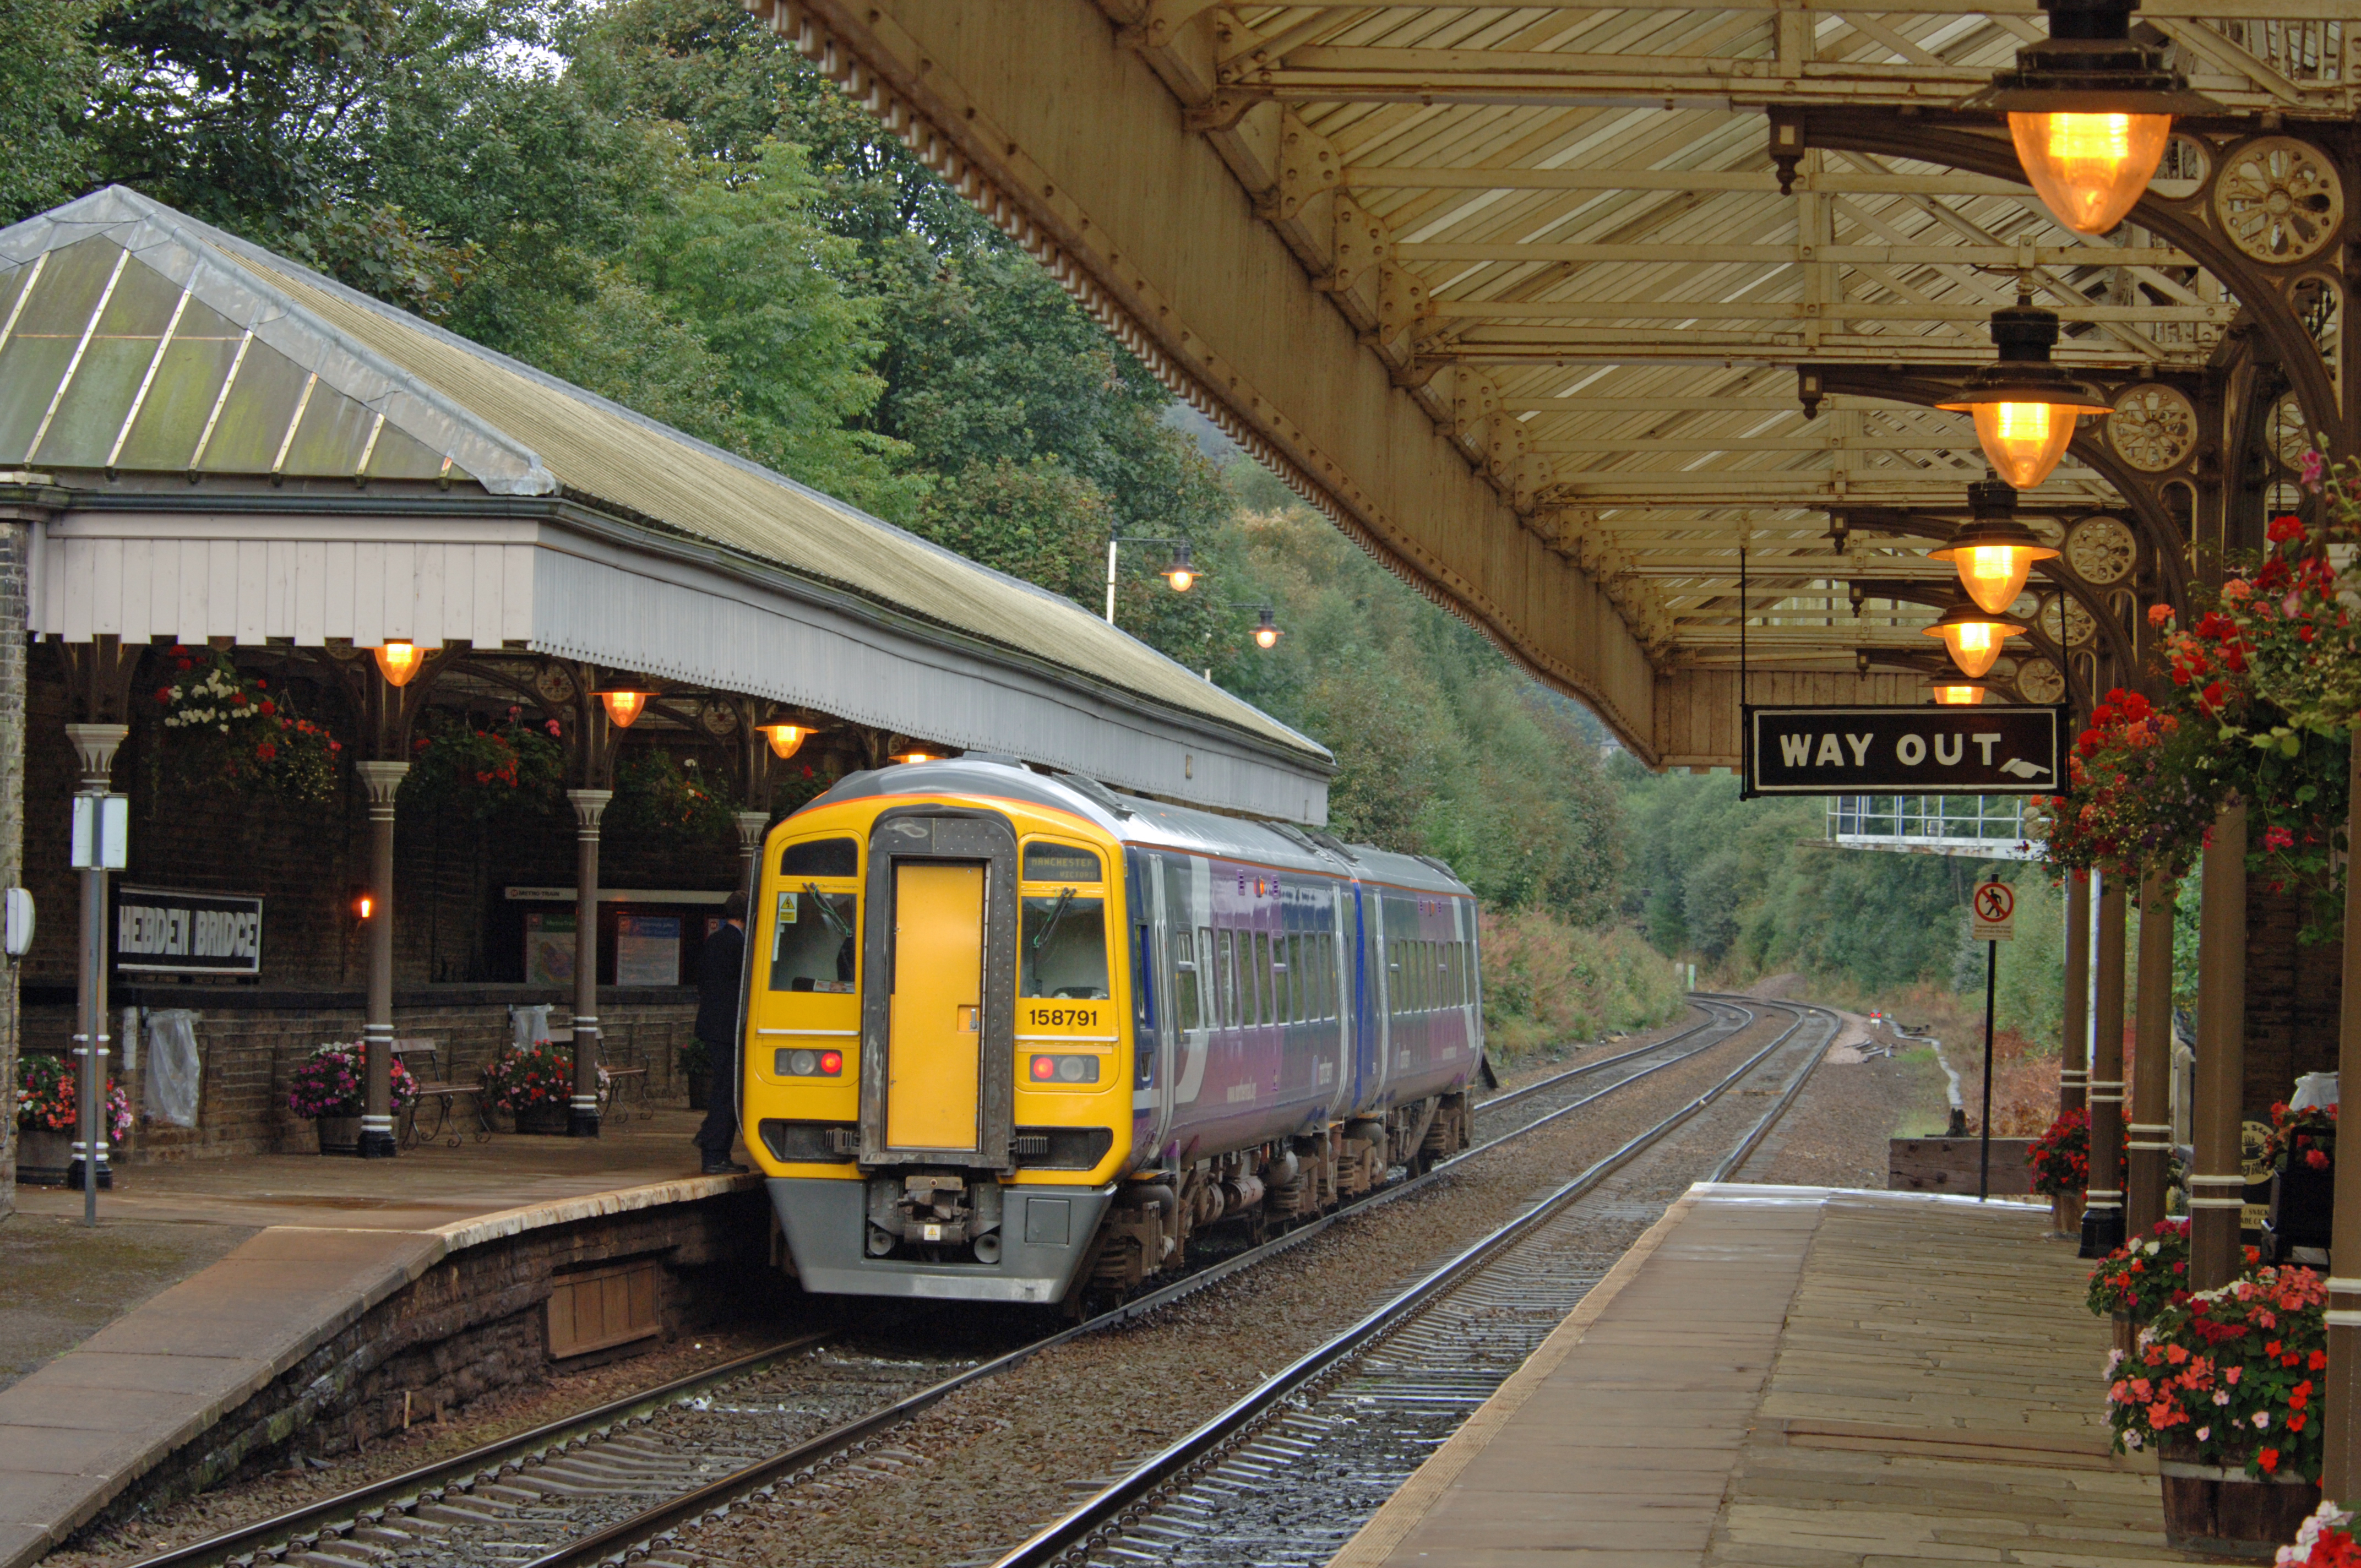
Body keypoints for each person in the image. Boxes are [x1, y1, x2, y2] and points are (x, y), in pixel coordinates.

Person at [693, 891, 749, 1175]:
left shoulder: (715, 940)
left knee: (724, 1088)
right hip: (728, 1029)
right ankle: (715, 1154)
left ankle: (709, 1138)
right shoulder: (739, 946)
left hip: (713, 1026)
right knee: (727, 1091)